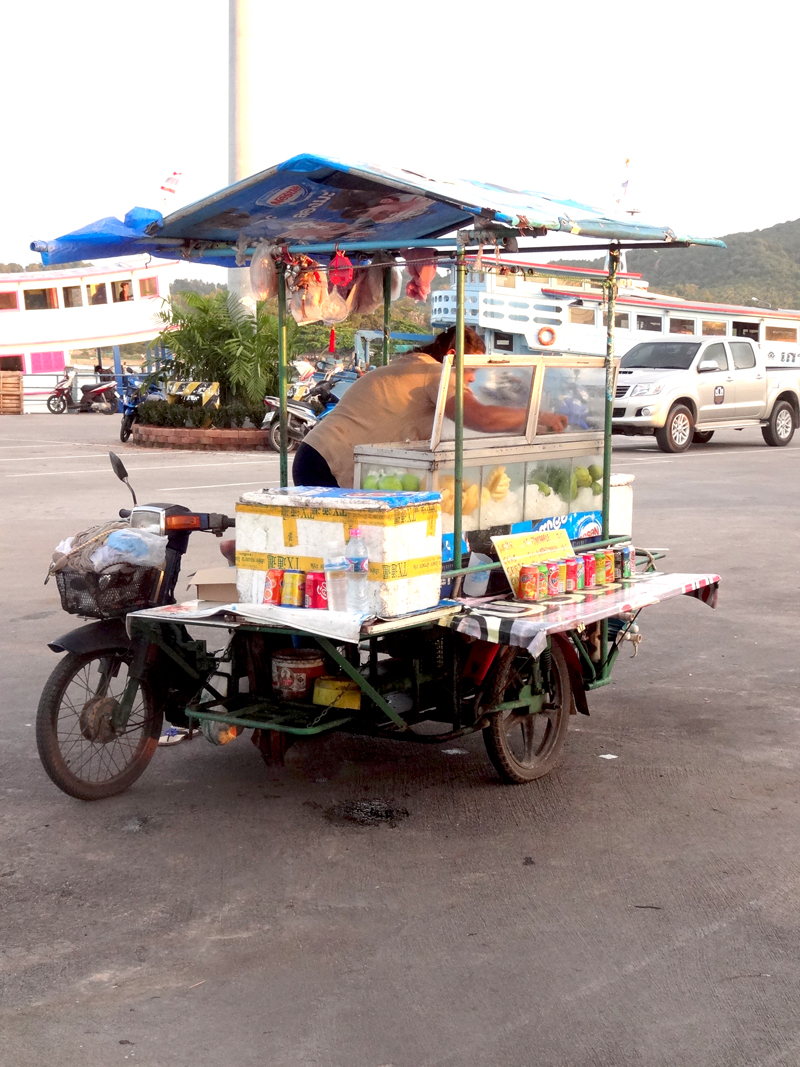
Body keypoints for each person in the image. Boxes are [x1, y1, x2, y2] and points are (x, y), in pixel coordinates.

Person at [294, 326, 527, 489]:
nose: (473, 378)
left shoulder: (414, 366)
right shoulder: (435, 373)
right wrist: (536, 417)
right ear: (452, 356)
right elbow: (481, 418)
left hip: (313, 454)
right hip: (327, 464)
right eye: (472, 368)